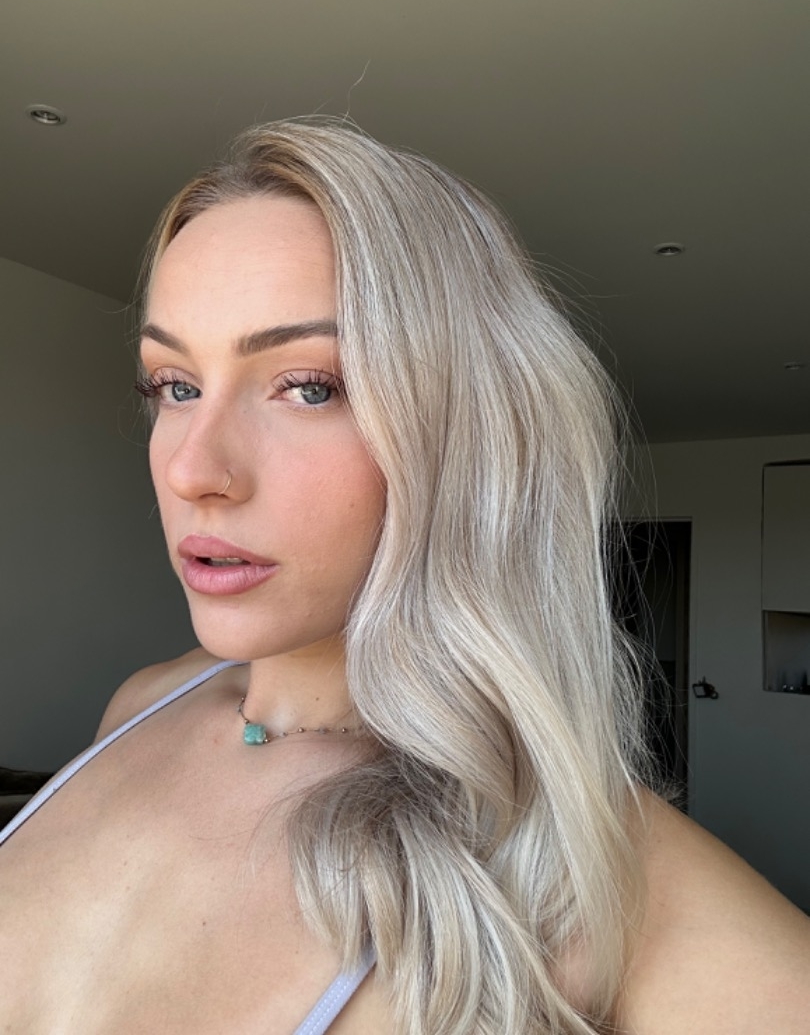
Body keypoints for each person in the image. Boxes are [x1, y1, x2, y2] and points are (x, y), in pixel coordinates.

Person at [0, 119, 807, 1035]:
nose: (194, 470)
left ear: (462, 435)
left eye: (309, 386)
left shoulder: (590, 874)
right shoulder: (140, 706)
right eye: (175, 386)